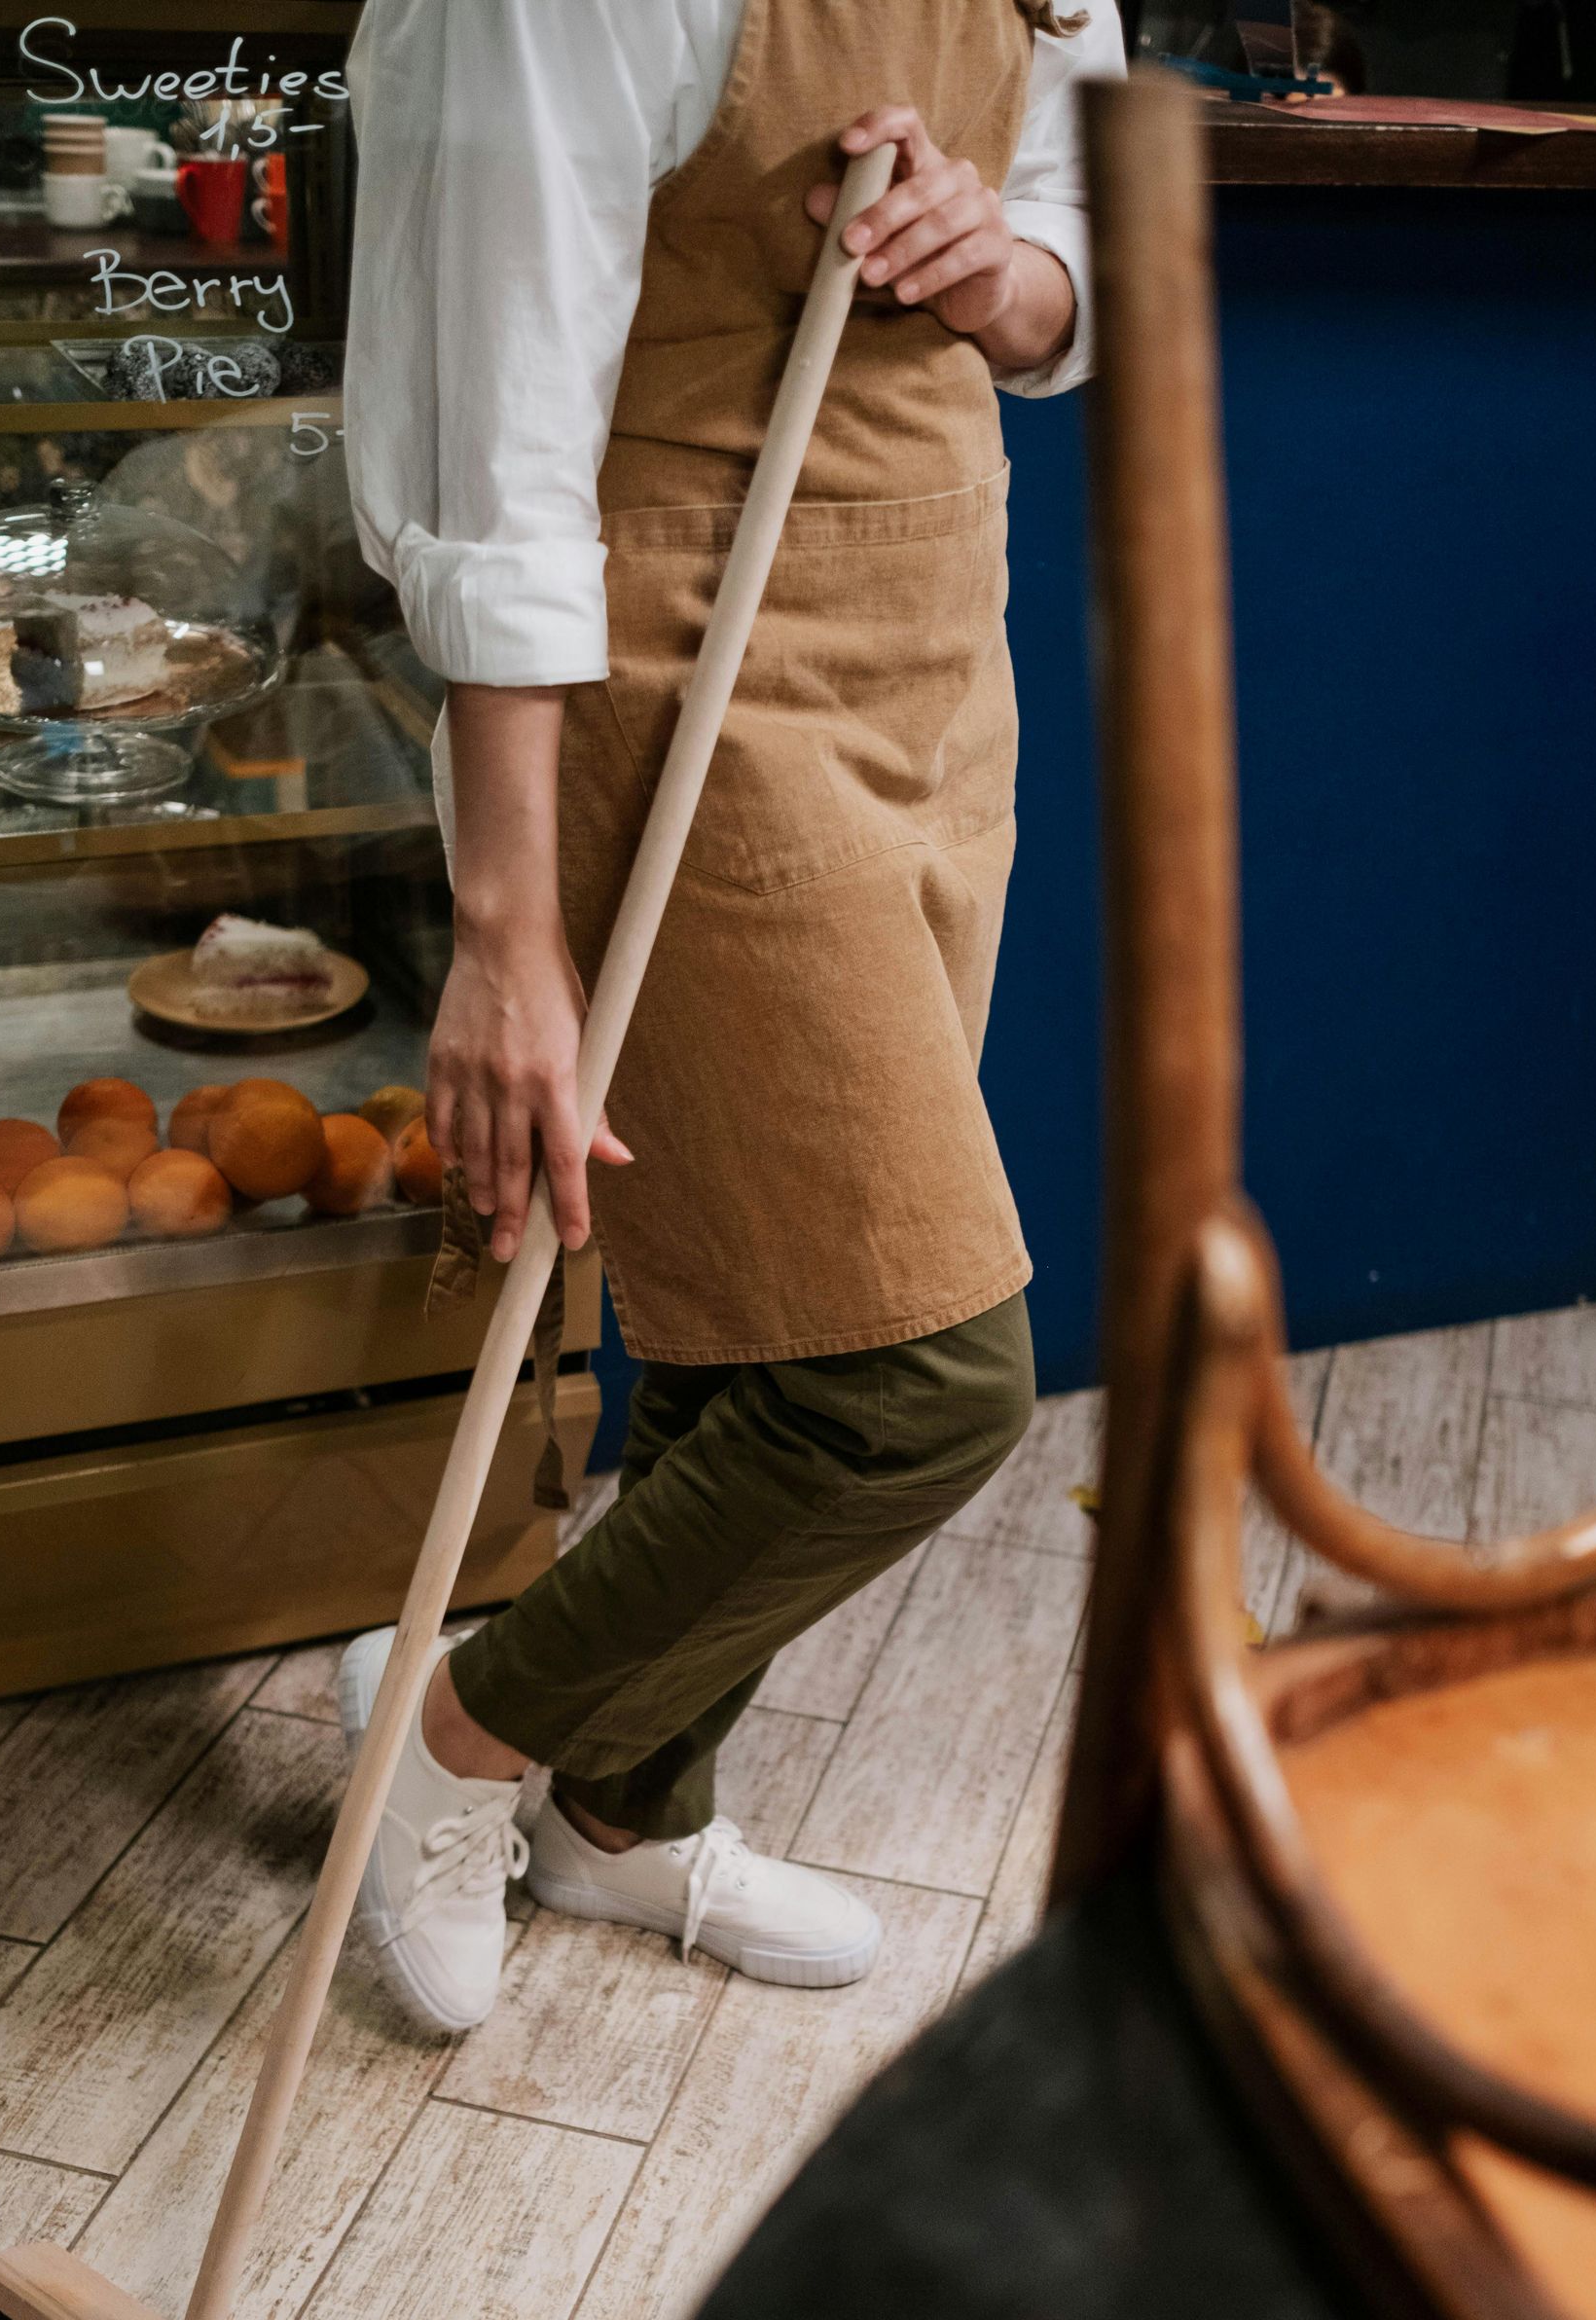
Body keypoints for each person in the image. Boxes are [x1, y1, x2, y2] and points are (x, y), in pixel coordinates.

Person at [338, 0, 1122, 2036]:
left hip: (931, 626)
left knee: (762, 1312)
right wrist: (508, 928)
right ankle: (456, 1738)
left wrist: (994, 262)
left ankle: (626, 1806)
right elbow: (492, 439)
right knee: (911, 1378)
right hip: (665, 638)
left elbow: (1065, 249)